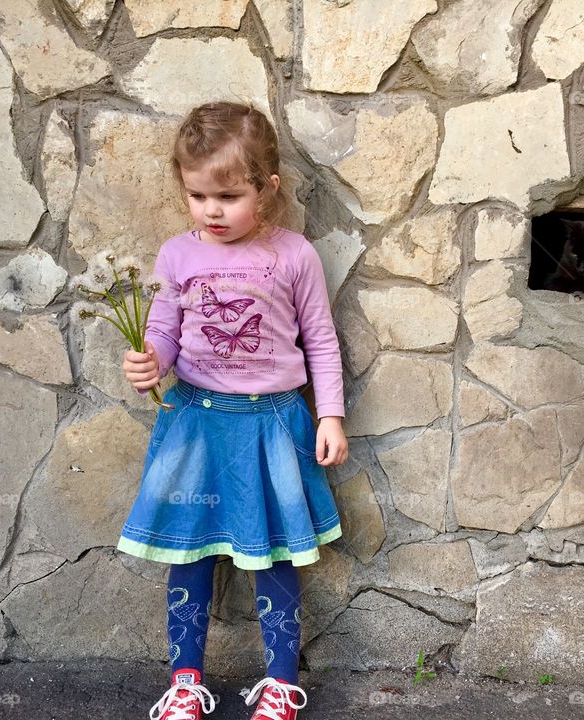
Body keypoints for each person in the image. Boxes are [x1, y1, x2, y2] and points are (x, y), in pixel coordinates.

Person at [118, 101, 349, 720]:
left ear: (267, 190)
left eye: (228, 195)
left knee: (273, 551)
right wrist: (150, 361)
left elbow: (320, 339)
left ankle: (279, 682)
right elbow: (165, 328)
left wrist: (329, 415)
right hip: (196, 423)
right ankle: (186, 679)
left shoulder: (295, 255)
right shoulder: (178, 256)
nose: (212, 211)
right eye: (197, 196)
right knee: (188, 549)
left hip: (272, 425)